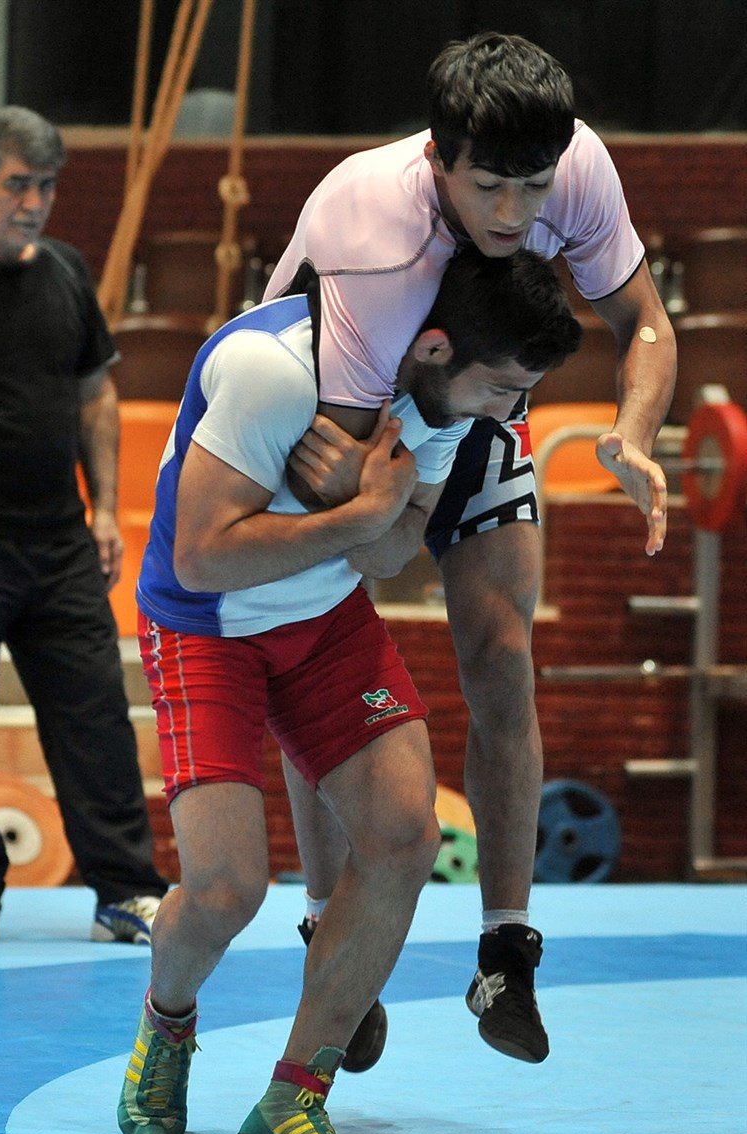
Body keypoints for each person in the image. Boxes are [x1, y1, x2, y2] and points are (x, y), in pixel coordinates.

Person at [116, 246, 581, 1134]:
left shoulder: (444, 403)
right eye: (501, 387)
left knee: (405, 835)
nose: (508, 411)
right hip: (207, 626)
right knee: (225, 891)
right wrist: (360, 511)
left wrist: (360, 511)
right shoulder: (272, 369)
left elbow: (389, 554)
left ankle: (293, 1099)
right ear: (436, 347)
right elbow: (202, 558)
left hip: (325, 621)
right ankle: (166, 1025)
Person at [265, 30, 676, 1067]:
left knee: (502, 658)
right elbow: (350, 473)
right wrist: (388, 519)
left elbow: (645, 321)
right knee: (318, 670)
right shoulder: (371, 228)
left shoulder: (575, 164)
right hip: (331, 422)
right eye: (488, 186)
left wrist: (632, 433)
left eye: (531, 188)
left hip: (475, 397)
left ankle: (507, 950)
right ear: (438, 157)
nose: (511, 214)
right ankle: (328, 930)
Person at [0, 106, 167, 945]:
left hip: (58, 541)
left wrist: (107, 508)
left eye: (46, 187)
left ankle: (125, 890)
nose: (34, 203)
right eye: (17, 185)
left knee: (96, 719)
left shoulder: (66, 272)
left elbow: (96, 395)